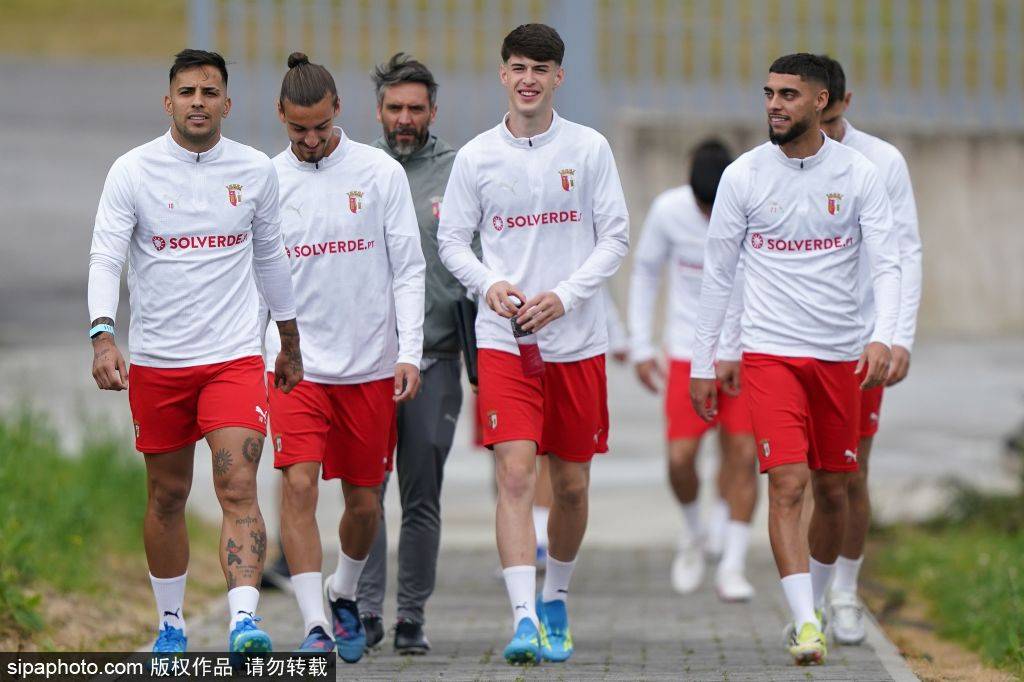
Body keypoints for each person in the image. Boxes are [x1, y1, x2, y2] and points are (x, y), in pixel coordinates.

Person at [87, 49, 302, 655]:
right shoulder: (132, 171)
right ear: (169, 102)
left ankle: (243, 621)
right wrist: (103, 334)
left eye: (210, 93)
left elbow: (270, 257)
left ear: (227, 104)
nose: (198, 103)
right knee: (167, 495)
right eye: (187, 93)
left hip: (233, 357)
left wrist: (289, 340)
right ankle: (171, 624)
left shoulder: (255, 170)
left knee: (238, 484)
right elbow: (105, 256)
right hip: (159, 362)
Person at [689, 53, 901, 665]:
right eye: (769, 94)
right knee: (787, 482)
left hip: (839, 357)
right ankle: (805, 622)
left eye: (788, 95)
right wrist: (707, 360)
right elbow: (718, 275)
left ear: (820, 101)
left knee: (835, 491)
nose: (774, 105)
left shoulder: (860, 174)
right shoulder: (744, 176)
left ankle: (823, 598)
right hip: (770, 354)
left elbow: (888, 263)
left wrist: (884, 336)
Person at [438, 23, 629, 665]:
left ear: (558, 77)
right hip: (504, 342)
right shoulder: (476, 157)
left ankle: (555, 598)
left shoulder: (589, 148)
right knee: (516, 473)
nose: (528, 80)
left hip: (576, 343)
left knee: (570, 486)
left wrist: (565, 296)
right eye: (518, 67)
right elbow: (452, 242)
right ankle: (522, 620)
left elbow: (615, 238)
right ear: (503, 74)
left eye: (540, 70)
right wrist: (489, 284)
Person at [262, 53, 425, 663]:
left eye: (320, 128)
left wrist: (410, 352)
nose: (310, 140)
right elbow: (255, 280)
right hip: (296, 367)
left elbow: (409, 269)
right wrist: (260, 354)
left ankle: (344, 592)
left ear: (339, 111)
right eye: (297, 129)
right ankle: (314, 625)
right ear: (280, 115)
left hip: (369, 366)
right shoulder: (266, 181)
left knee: (364, 503)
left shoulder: (379, 174)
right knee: (299, 485)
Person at [356, 52, 467, 655]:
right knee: (365, 493)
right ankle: (366, 611)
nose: (405, 118)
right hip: (368, 363)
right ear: (378, 110)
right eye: (395, 107)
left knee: (422, 496)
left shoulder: (458, 172)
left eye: (416, 109)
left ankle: (411, 618)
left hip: (437, 358)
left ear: (433, 111)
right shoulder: (360, 170)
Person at [817, 54, 922, 645]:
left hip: (861, 348)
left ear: (844, 104)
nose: (825, 134)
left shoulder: (882, 162)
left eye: (833, 121)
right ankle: (807, 597)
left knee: (850, 475)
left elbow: (906, 252)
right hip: (794, 343)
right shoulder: (779, 161)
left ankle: (845, 593)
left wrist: (898, 335)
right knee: (802, 479)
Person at [629, 140, 759, 601]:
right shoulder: (668, 211)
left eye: (714, 206)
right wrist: (641, 345)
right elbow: (645, 272)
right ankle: (693, 531)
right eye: (703, 207)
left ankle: (733, 565)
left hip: (745, 351)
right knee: (680, 458)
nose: (708, 215)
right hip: (688, 351)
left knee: (742, 454)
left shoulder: (752, 209)